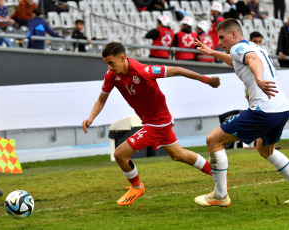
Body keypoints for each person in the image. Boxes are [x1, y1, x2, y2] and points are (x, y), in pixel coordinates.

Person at [193, 18, 289, 207]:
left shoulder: (240, 49)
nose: (219, 42)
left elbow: (252, 60)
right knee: (265, 149)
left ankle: (220, 195)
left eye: (222, 37)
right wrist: (212, 52)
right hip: (281, 109)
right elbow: (240, 61)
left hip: (263, 110)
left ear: (234, 34)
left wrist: (258, 79)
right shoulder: (252, 46)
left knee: (213, 140)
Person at [82, 42, 220, 206]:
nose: (109, 67)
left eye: (111, 63)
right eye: (106, 63)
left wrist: (206, 79)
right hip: (152, 121)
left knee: (120, 154)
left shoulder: (143, 71)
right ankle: (218, 173)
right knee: (178, 154)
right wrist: (91, 118)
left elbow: (177, 70)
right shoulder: (112, 75)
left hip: (158, 123)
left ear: (123, 58)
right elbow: (101, 99)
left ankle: (137, 187)